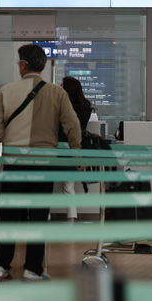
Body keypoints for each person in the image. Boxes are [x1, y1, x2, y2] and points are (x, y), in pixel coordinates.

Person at [0, 44, 82, 281]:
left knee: (8, 214)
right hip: (43, 164)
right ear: (44, 65)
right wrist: (77, 154)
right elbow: (73, 126)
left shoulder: (6, 91)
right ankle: (32, 269)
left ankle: (1, 266)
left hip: (11, 164)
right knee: (39, 216)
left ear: (23, 65)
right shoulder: (57, 94)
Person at [56, 76, 93, 222]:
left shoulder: (62, 105)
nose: (59, 86)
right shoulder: (86, 108)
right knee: (68, 187)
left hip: (58, 148)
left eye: (61, 84)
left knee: (47, 183)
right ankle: (71, 219)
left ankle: (43, 217)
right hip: (76, 149)